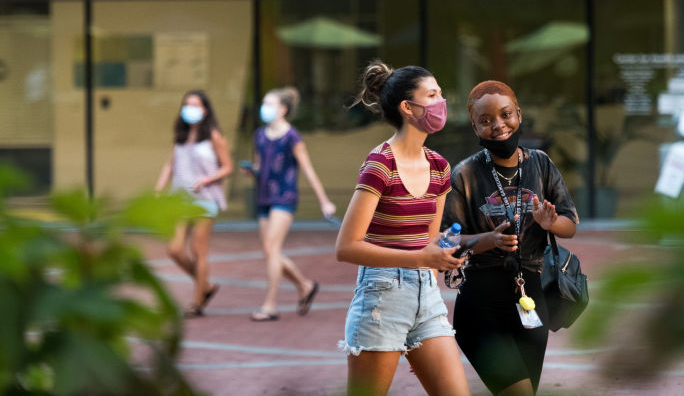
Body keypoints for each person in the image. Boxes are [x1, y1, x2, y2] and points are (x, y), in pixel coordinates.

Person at [335, 61, 470, 396]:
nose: (441, 102)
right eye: (433, 95)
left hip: (427, 298)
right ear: (408, 107)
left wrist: (445, 256)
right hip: (381, 299)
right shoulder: (380, 164)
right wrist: (420, 257)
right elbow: (346, 247)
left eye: (441, 94)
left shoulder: (440, 167)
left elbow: (428, 240)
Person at [441, 80, 579, 396]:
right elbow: (445, 240)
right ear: (475, 127)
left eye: (505, 115)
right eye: (485, 121)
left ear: (518, 113)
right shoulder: (464, 174)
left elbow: (570, 225)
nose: (498, 126)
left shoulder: (541, 163)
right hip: (481, 302)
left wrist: (551, 221)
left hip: (531, 300)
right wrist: (483, 240)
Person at [244, 87, 336, 321]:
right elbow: (259, 165)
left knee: (273, 250)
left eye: (270, 104)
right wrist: (252, 172)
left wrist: (324, 200)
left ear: (283, 109)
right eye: (264, 103)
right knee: (269, 252)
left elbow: (307, 169)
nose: (264, 108)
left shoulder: (292, 136)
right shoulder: (260, 135)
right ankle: (305, 286)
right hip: (263, 197)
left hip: (284, 197)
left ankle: (270, 306)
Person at [155, 89, 233, 317]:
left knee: (198, 251)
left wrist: (207, 179)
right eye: (186, 104)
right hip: (180, 199)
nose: (190, 109)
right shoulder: (180, 136)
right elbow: (169, 165)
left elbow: (227, 166)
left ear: (205, 110)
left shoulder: (215, 137)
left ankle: (197, 303)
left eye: (195, 105)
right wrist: (159, 190)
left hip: (205, 199)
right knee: (175, 250)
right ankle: (205, 285)